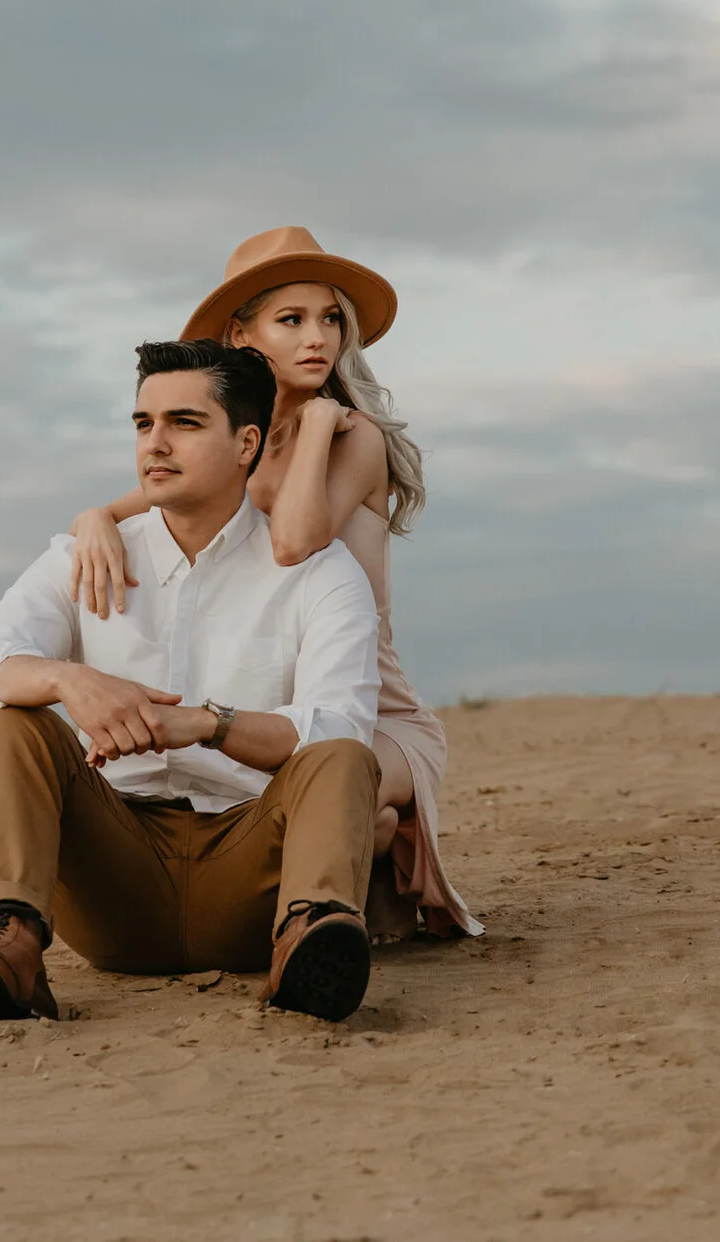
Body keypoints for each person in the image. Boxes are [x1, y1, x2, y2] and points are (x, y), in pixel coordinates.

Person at [0, 338, 386, 1027]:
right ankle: (6, 949)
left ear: (247, 441)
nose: (154, 443)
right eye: (143, 423)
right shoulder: (85, 556)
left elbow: (342, 725)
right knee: (15, 719)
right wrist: (73, 680)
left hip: (254, 883)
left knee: (338, 756)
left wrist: (208, 723)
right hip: (116, 882)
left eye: (184, 423)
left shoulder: (320, 572)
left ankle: (306, 953)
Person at [65, 227, 480, 939]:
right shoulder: (236, 438)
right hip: (284, 712)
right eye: (292, 319)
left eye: (329, 319)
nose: (318, 337)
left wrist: (316, 426)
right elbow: (140, 499)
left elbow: (293, 541)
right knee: (314, 804)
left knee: (339, 787)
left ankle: (368, 859)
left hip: (375, 716)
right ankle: (365, 865)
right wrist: (91, 518)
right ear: (241, 333)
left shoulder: (356, 437)